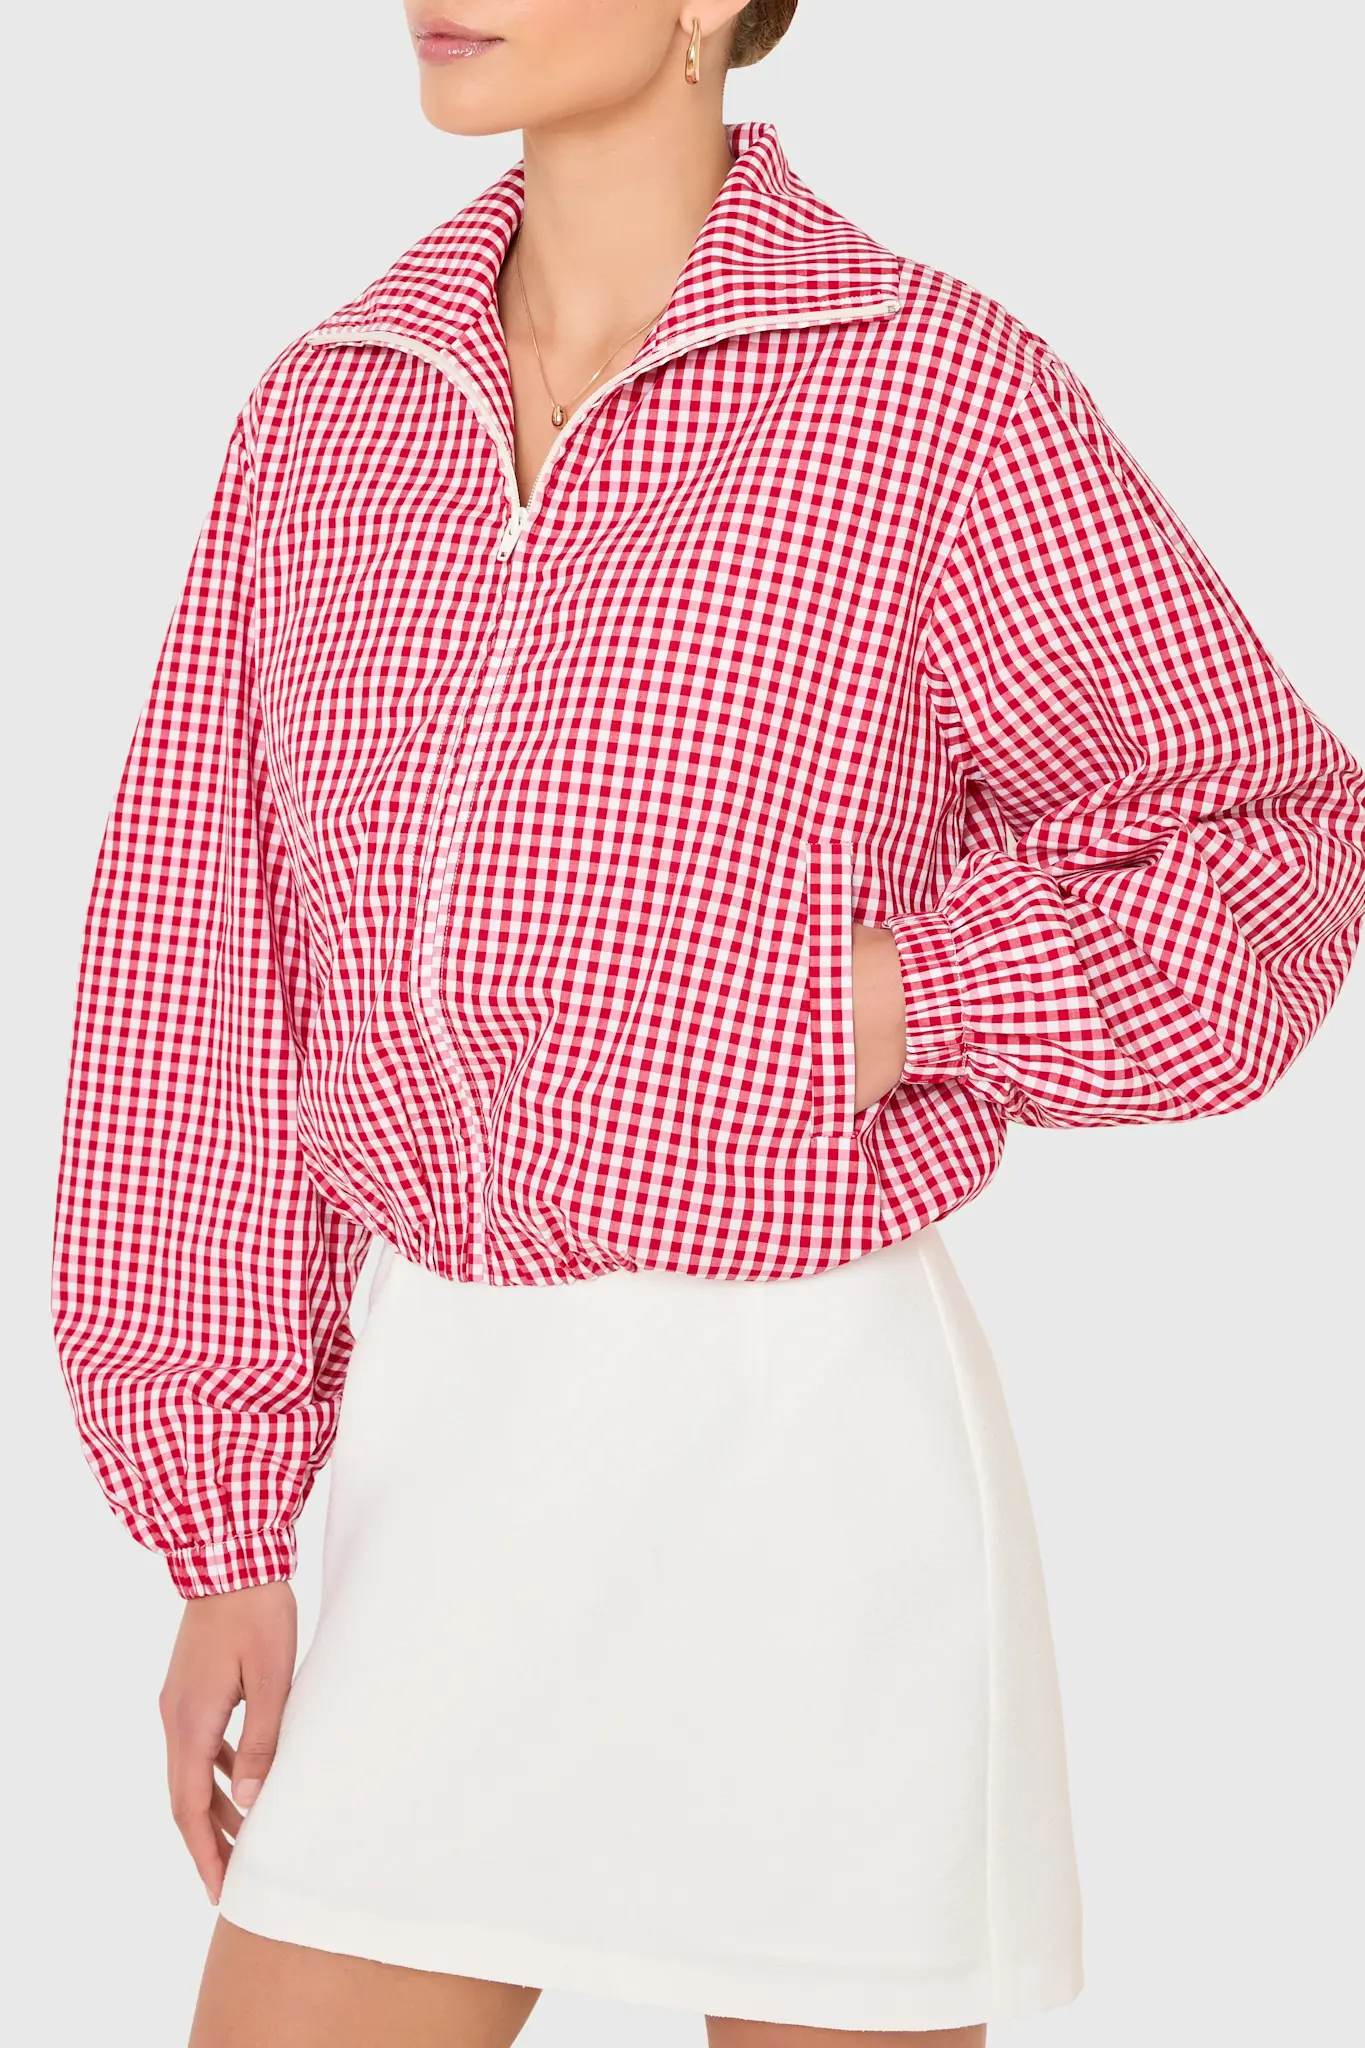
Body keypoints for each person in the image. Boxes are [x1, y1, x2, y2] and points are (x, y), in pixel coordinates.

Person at [49, 5, 1365, 2047]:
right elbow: (196, 973)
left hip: (805, 1466)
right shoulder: (325, 415)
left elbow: (1263, 835)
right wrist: (219, 1530)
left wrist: (893, 999)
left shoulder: (929, 391)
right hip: (438, 1461)